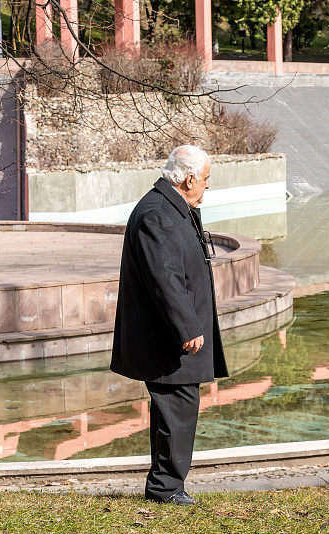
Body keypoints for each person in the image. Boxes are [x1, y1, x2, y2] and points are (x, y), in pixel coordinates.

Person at [111, 145, 228, 505]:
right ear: (190, 178)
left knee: (175, 412)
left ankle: (167, 486)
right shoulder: (157, 214)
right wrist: (187, 327)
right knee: (177, 412)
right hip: (169, 340)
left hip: (173, 336)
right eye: (206, 179)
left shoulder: (170, 206)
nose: (207, 186)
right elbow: (166, 279)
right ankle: (166, 489)